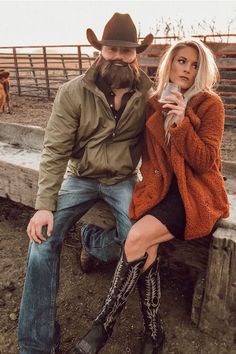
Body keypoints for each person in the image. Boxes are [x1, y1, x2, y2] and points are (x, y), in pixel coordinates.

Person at [73, 38, 229, 354]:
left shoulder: (210, 104)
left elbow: (204, 162)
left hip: (195, 194)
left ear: (202, 71)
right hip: (160, 190)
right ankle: (154, 332)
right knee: (147, 245)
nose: (187, 69)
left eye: (195, 64)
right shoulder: (154, 101)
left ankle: (102, 326)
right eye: (182, 61)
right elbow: (146, 154)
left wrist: (184, 121)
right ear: (170, 63)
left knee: (135, 239)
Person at [17, 13, 154, 354]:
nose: (119, 56)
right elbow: (55, 149)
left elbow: (162, 146)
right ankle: (37, 343)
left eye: (127, 50)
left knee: (139, 240)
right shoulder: (73, 92)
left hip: (123, 179)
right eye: (112, 49)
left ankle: (92, 242)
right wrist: (44, 205)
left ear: (137, 53)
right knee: (42, 238)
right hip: (79, 177)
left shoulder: (149, 96)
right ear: (100, 50)